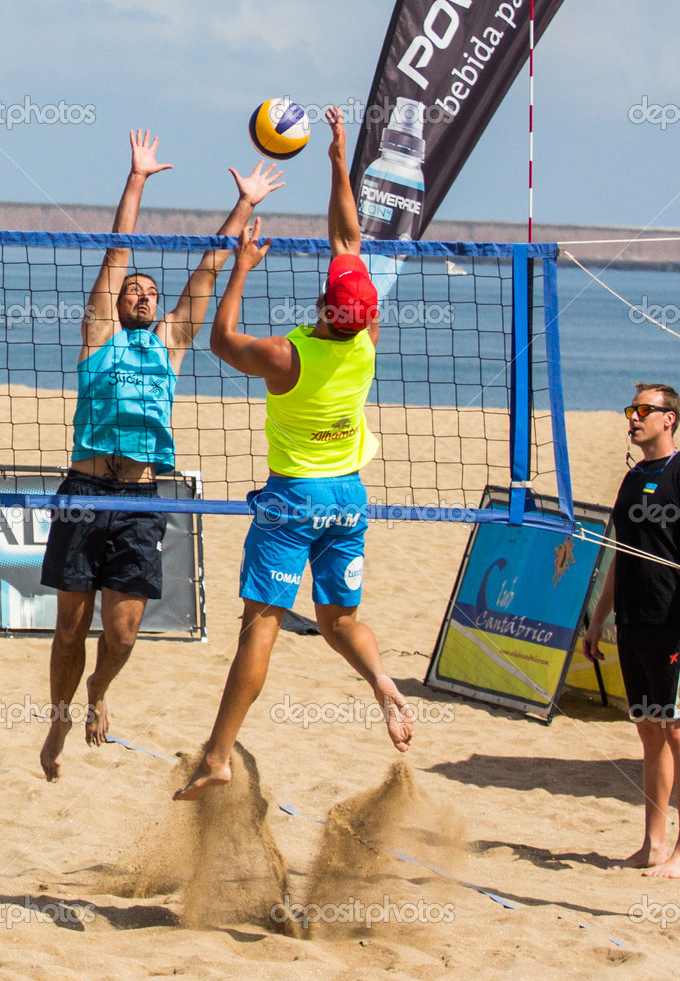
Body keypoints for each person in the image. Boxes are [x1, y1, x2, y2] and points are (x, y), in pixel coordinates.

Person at [174, 106, 413, 801]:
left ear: (324, 301)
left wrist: (243, 269)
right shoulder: (364, 342)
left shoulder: (288, 356)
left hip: (294, 498)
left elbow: (220, 344)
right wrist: (338, 158)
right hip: (349, 498)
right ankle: (383, 682)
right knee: (340, 621)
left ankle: (218, 753)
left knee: (263, 623)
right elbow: (347, 234)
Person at [39, 130, 284, 782]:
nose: (143, 295)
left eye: (150, 291)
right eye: (134, 292)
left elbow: (206, 267)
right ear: (117, 305)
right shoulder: (99, 335)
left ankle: (98, 692)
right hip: (86, 492)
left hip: (141, 496)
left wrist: (243, 205)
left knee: (119, 634)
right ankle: (61, 710)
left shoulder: (172, 342)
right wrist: (138, 177)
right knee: (70, 627)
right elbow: (118, 251)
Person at [582, 383, 680, 878]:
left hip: (675, 624)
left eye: (644, 410)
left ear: (670, 419)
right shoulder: (635, 477)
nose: (633, 417)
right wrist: (599, 618)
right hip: (634, 622)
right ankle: (653, 843)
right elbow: (622, 554)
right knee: (649, 733)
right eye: (631, 409)